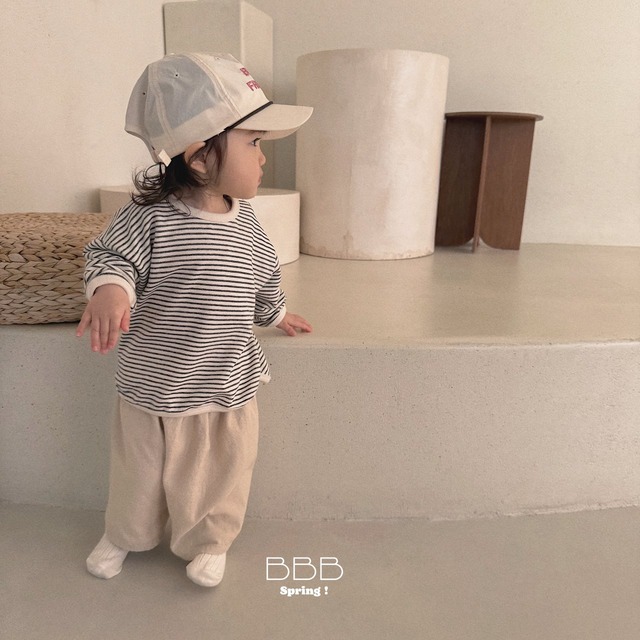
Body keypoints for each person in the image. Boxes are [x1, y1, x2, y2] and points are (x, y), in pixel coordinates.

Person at [76, 52, 313, 587]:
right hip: (152, 381)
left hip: (223, 382)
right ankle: (125, 532)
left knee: (218, 475)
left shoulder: (248, 224)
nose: (263, 159)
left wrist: (276, 313)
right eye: (254, 144)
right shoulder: (148, 217)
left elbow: (263, 277)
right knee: (137, 473)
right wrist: (111, 289)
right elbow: (110, 255)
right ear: (201, 158)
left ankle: (209, 541)